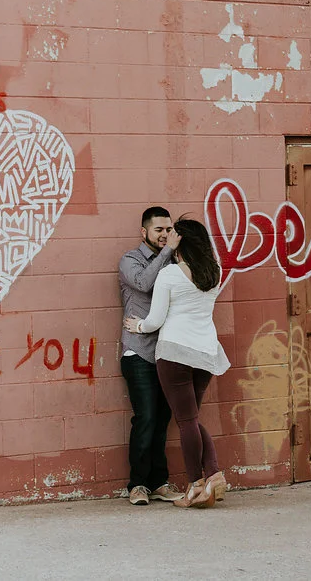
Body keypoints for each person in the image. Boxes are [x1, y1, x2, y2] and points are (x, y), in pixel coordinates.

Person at [124, 217, 230, 509]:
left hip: (175, 353)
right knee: (191, 417)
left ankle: (195, 486)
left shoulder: (170, 274)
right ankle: (214, 475)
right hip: (206, 353)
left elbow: (156, 319)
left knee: (186, 421)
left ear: (180, 243)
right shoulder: (215, 271)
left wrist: (138, 326)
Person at [118, 207, 184, 506]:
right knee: (145, 418)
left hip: (167, 351)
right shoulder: (130, 260)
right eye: (159, 230)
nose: (165, 235)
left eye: (169, 229)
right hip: (139, 351)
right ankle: (138, 485)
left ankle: (159, 483)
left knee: (162, 421)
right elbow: (144, 283)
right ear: (144, 232)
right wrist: (168, 252)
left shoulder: (176, 260)